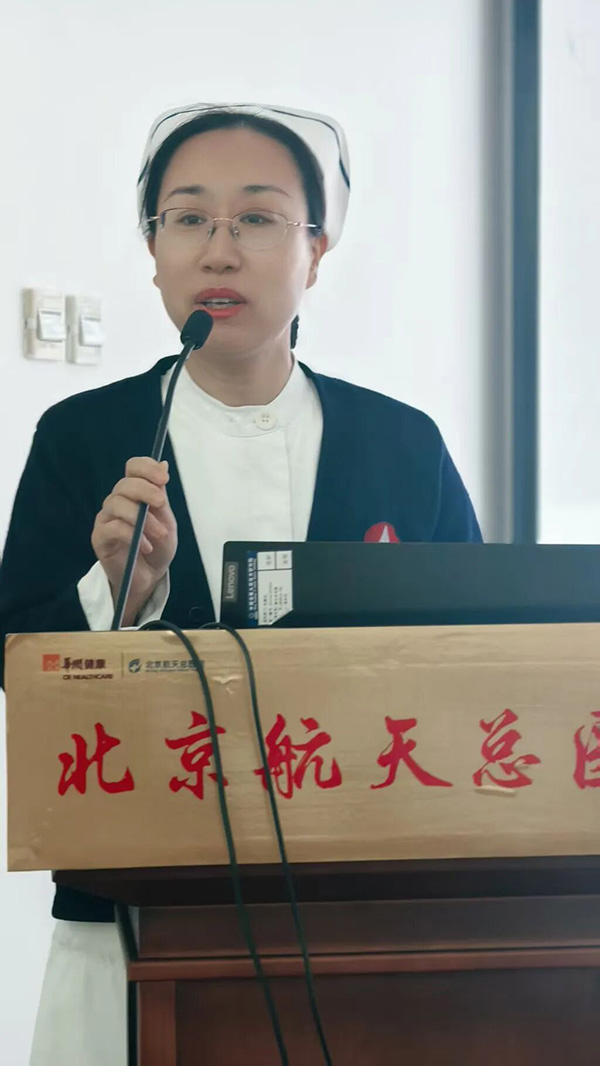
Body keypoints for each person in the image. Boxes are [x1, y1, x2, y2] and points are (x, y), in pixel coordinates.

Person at [0, 102, 482, 1066]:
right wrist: (116, 594)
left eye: (257, 217)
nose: (219, 251)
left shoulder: (401, 442)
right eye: (188, 218)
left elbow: (477, 655)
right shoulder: (85, 437)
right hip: (137, 900)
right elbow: (17, 661)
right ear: (153, 252)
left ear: (316, 251)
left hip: (365, 897)